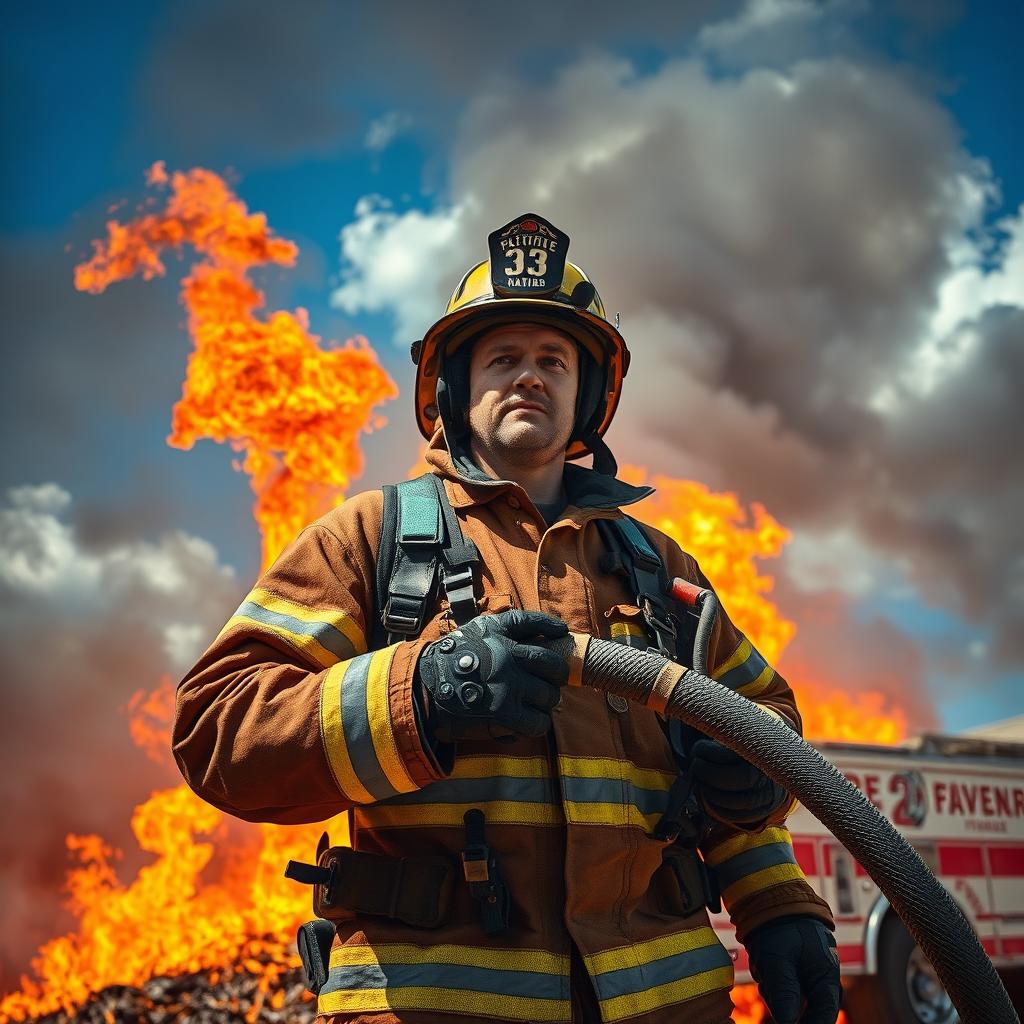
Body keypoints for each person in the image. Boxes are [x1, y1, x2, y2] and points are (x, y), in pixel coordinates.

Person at [174, 214, 841, 1024]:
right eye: (503, 358)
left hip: (666, 1004)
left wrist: (776, 899)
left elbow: (760, 732)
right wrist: (422, 691)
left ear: (587, 395)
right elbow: (219, 728)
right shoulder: (373, 539)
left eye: (554, 361)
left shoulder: (659, 569)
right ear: (454, 388)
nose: (530, 376)